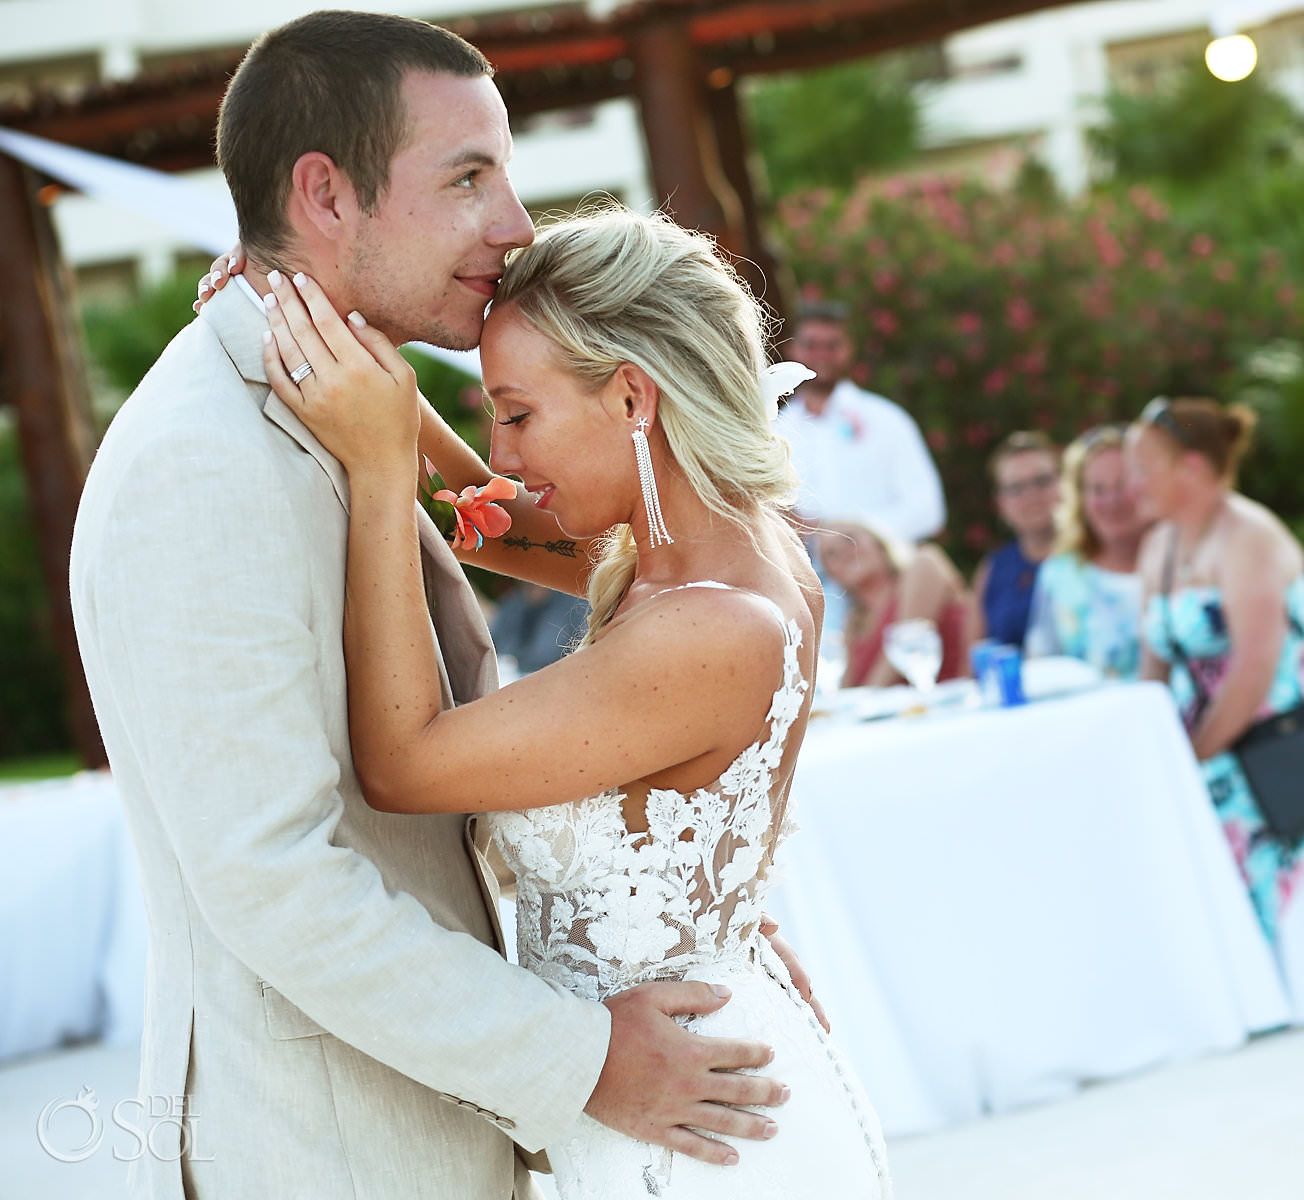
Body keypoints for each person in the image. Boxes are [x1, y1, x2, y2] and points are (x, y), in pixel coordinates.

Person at [72, 14, 809, 1198]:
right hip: (330, 1152)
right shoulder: (200, 467)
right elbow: (274, 878)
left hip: (534, 1126)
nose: (515, 224)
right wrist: (579, 1055)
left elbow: (512, 540)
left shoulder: (349, 414)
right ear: (324, 193)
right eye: (471, 178)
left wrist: (698, 910)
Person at [260, 207, 891, 1197]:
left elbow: (402, 760)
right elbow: (494, 528)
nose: (502, 453)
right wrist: (363, 351)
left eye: (516, 414)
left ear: (633, 396)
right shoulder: (717, 553)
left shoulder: (705, 631)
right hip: (681, 1088)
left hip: (700, 1138)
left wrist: (381, 472)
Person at [1129, 398, 1304, 944]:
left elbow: (1255, 669)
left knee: (1200, 803)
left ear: (1193, 467)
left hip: (1278, 732)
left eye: (1144, 469)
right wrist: (1150, 745)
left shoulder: (1249, 537)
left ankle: (1251, 962)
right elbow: (1153, 667)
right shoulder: (1160, 545)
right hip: (1207, 733)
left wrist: (1196, 755)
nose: (1133, 484)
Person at [774, 300, 945, 542]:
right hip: (796, 574)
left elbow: (928, 510)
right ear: (792, 350)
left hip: (878, 572)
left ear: (849, 349)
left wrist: (848, 534)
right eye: (811, 345)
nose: (822, 355)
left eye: (832, 345)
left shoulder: (888, 420)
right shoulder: (774, 430)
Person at [1025, 424, 1149, 679]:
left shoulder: (1182, 558)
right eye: (1097, 489)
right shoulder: (1060, 574)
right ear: (1080, 499)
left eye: (1122, 485)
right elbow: (1041, 667)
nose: (1111, 501)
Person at [818, 520, 970, 689]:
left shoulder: (922, 565)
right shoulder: (854, 623)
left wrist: (863, 705)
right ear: (831, 573)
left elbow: (904, 649)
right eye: (831, 553)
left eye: (849, 539)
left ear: (878, 542)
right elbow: (847, 688)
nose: (843, 552)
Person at [969, 431, 1062, 653]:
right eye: (1016, 488)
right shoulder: (993, 568)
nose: (1030, 495)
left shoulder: (1091, 554)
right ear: (1000, 502)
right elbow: (973, 658)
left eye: (1041, 481)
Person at [490, 582, 590, 674]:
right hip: (510, 675)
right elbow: (495, 643)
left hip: (553, 678)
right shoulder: (514, 602)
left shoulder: (574, 605)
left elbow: (582, 652)